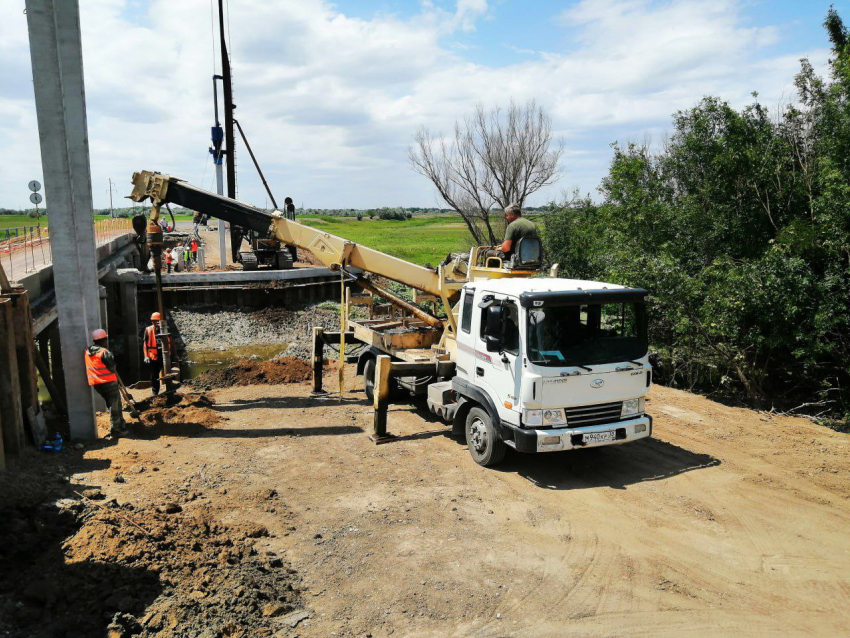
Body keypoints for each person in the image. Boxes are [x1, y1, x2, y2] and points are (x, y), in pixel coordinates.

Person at [85, 329, 128, 437]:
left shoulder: (87, 351)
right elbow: (112, 367)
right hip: (108, 383)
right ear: (104, 340)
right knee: (115, 405)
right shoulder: (104, 352)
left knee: (111, 403)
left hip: (97, 384)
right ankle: (116, 430)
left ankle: (121, 423)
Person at [144, 312, 166, 396]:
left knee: (169, 373)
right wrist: (146, 356)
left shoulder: (165, 328)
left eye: (157, 321)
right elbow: (145, 344)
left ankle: (170, 389)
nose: (155, 323)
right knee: (154, 375)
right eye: (153, 321)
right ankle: (155, 392)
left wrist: (174, 355)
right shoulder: (148, 330)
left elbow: (171, 342)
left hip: (164, 355)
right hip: (153, 356)